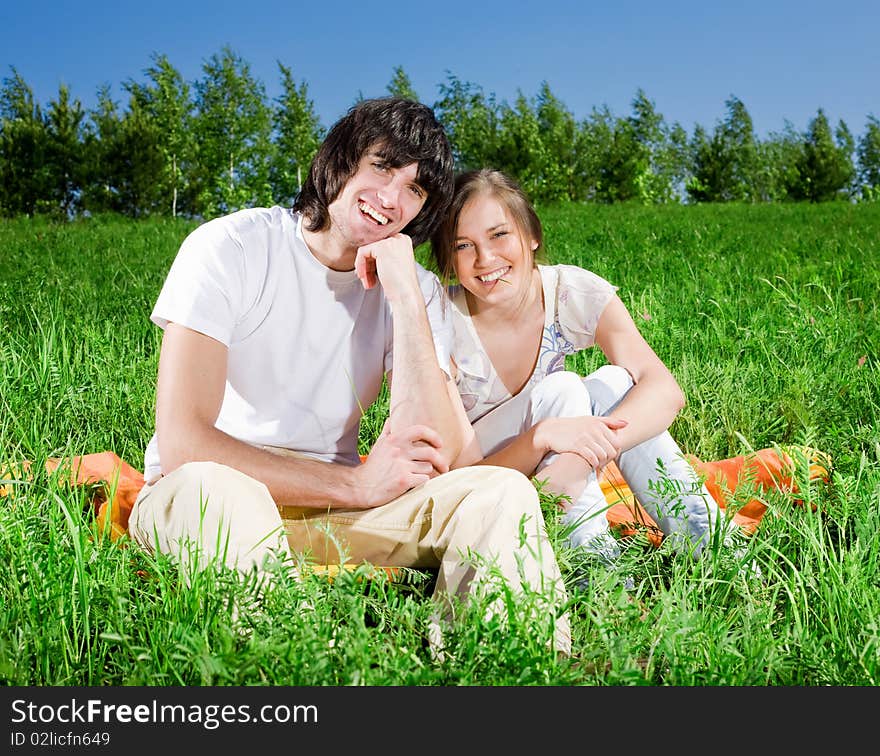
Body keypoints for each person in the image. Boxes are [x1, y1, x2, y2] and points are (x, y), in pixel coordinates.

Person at [127, 99, 570, 655]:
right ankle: (313, 665)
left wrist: (406, 296)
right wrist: (356, 484)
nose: (391, 198)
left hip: (335, 515)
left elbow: (438, 453)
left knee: (499, 492)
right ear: (338, 161)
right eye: (383, 166)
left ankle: (507, 665)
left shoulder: (411, 286)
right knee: (213, 489)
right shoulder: (230, 247)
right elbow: (187, 444)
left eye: (415, 190)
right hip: (212, 495)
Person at [431, 168, 742, 572]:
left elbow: (664, 389)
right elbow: (459, 478)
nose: (485, 259)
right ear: (449, 259)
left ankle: (718, 550)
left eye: (499, 235)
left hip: (561, 478)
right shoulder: (439, 322)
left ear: (531, 235)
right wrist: (543, 441)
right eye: (463, 245)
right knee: (562, 389)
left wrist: (578, 462)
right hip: (488, 488)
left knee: (615, 382)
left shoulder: (568, 291)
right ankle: (597, 575)